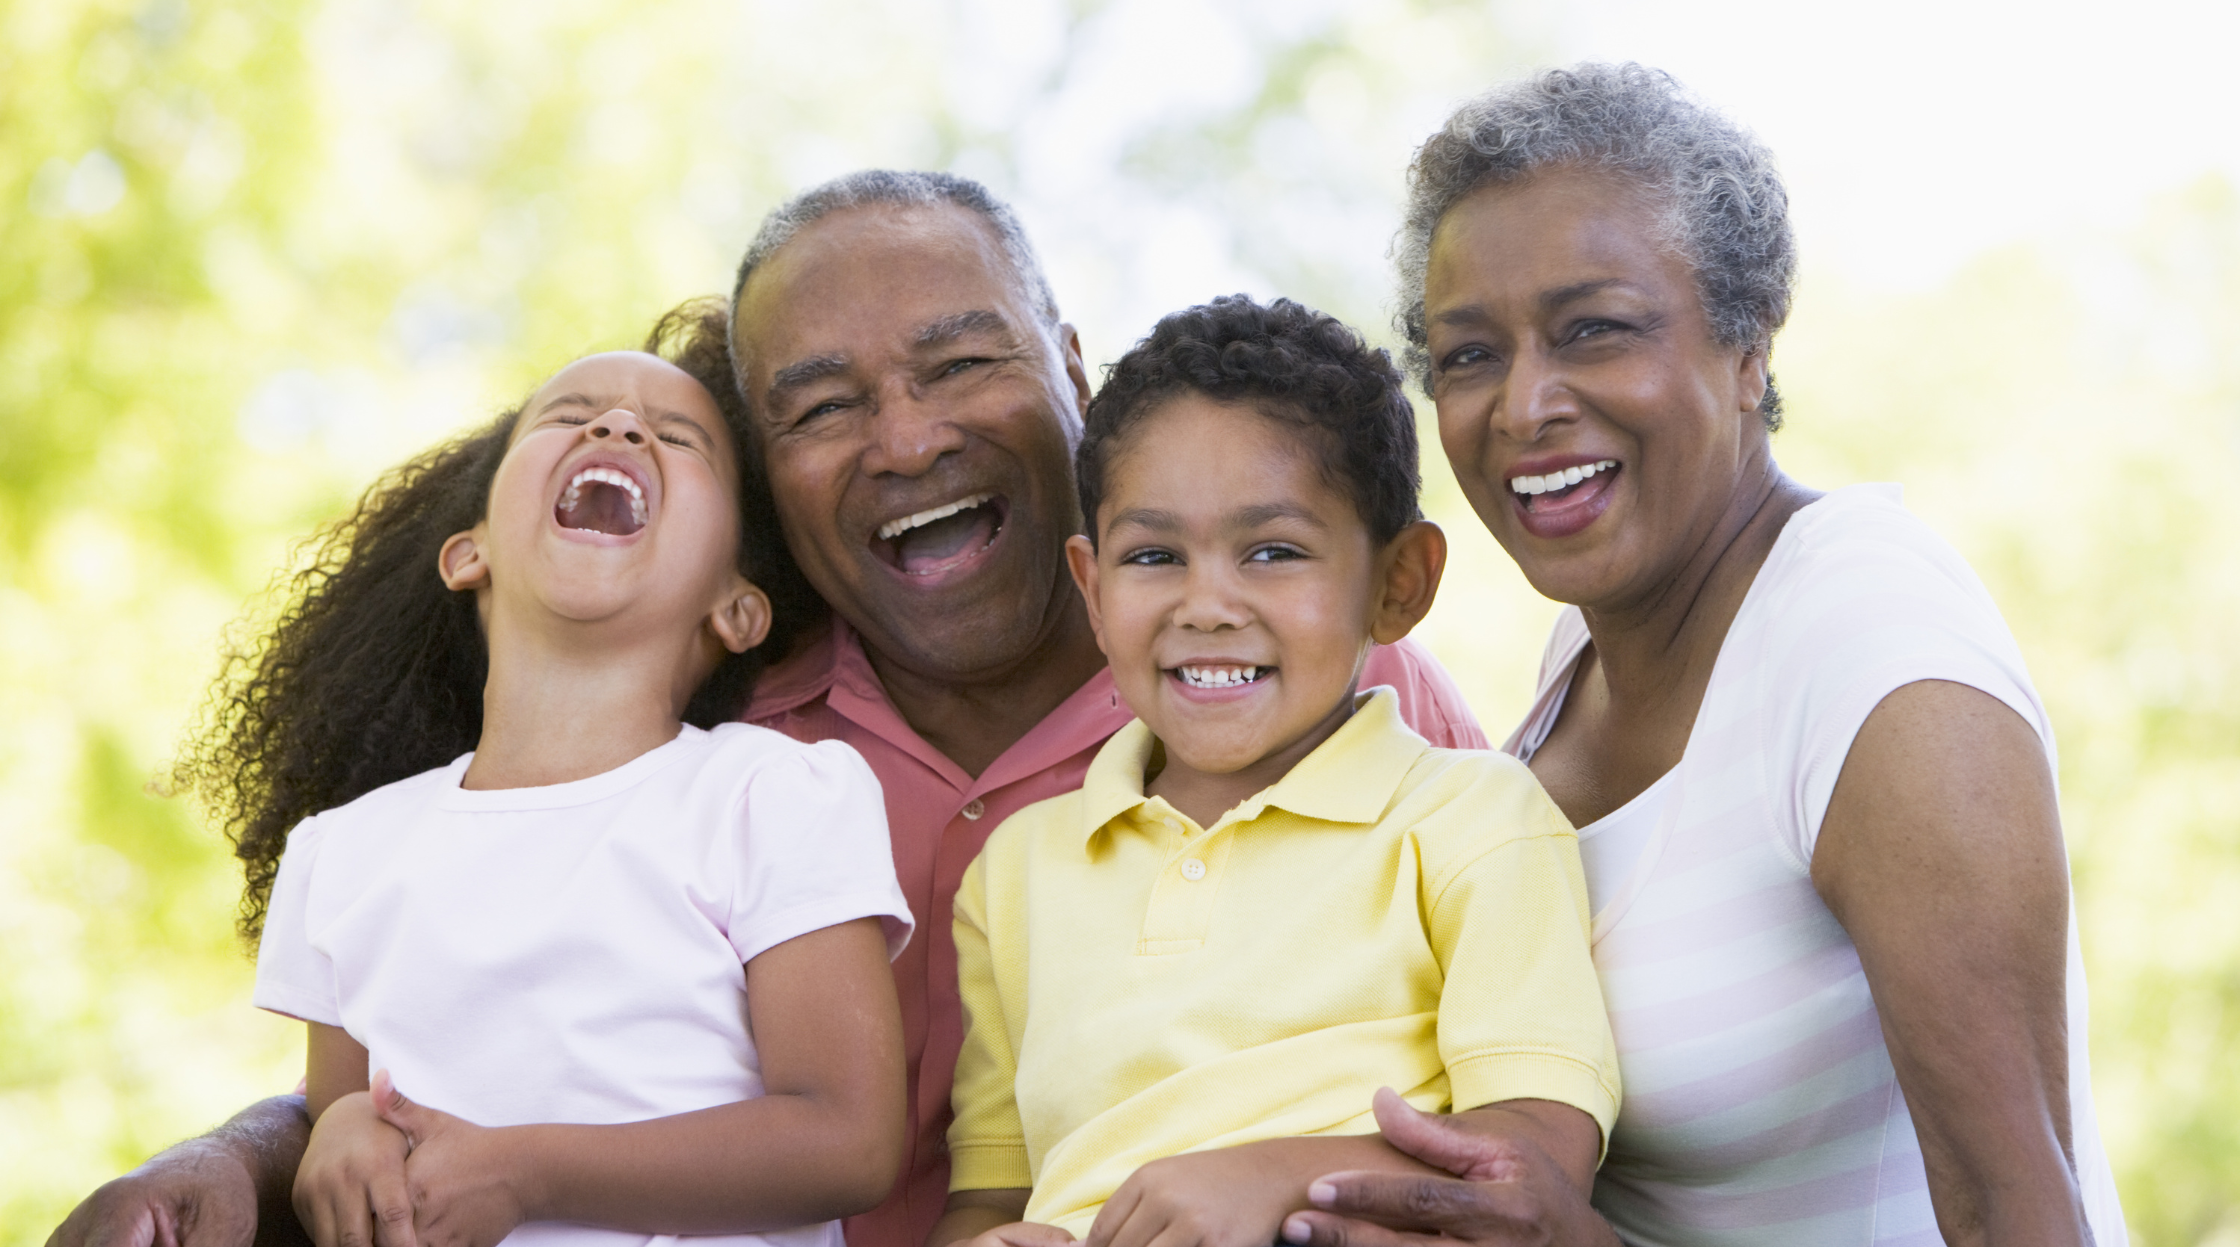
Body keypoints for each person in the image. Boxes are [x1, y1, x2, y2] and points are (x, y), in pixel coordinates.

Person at [49, 172, 1486, 1247]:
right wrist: (235, 1159)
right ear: (763, 521)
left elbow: (1534, 1067)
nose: (908, 437)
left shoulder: (1330, 694)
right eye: (819, 408)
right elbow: (431, 1065)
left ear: (1071, 368)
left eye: (960, 362)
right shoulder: (721, 747)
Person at [1280, 64, 2127, 1247]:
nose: (1523, 406)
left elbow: (2018, 1219)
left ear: (1747, 350)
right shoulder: (1579, 652)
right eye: (1468, 355)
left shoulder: (1865, 640)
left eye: (1594, 331)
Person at [203, 301, 913, 1247]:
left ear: (737, 607)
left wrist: (525, 1173)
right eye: (567, 414)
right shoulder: (342, 851)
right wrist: (338, 1132)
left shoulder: (770, 795)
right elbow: (349, 1119)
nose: (616, 427)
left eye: (677, 437)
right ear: (470, 553)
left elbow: (848, 1141)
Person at [927, 295, 1618, 1247]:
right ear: (1093, 588)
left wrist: (1278, 1178)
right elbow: (993, 1199)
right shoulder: (1015, 875)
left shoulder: (1473, 820)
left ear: (1397, 583)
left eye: (1273, 551)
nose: (1207, 604)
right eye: (1155, 554)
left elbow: (1534, 1165)